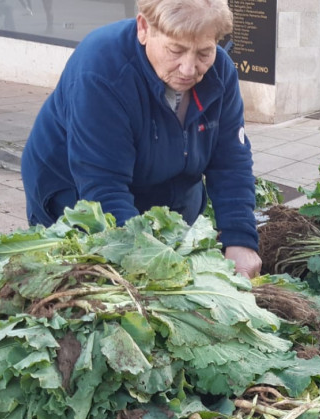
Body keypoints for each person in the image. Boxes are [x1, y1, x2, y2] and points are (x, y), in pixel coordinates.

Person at [20, 0, 262, 278]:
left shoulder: (220, 71)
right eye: (176, 50)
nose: (188, 69)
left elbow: (231, 162)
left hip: (168, 193)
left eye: (204, 52)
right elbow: (104, 188)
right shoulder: (101, 70)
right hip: (75, 194)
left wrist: (240, 238)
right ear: (144, 28)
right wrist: (148, 264)